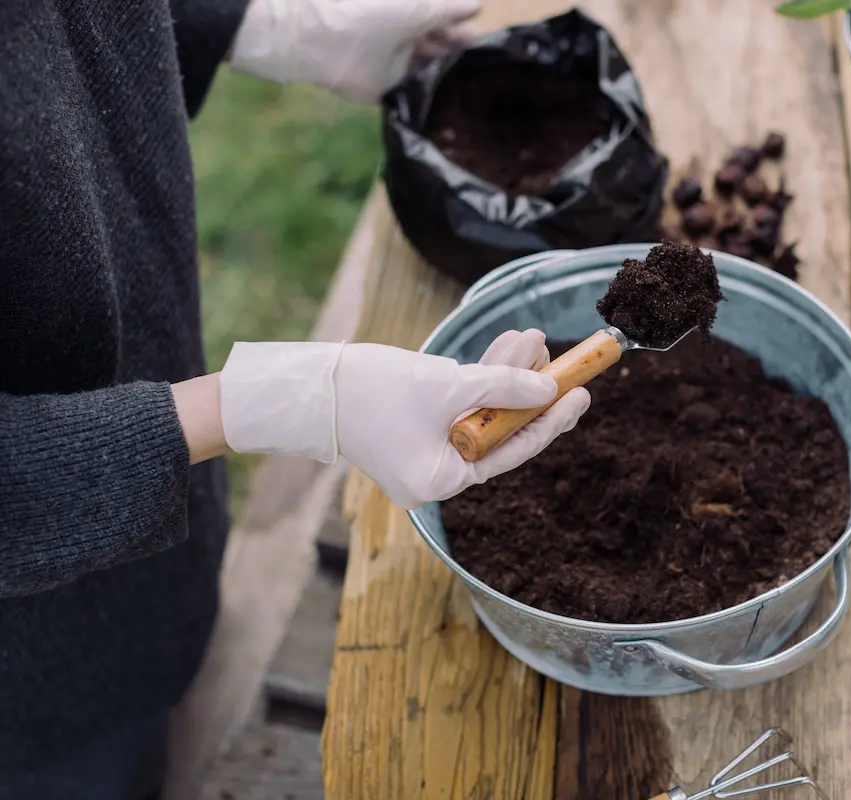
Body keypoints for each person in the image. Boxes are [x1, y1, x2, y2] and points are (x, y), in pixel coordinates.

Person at [0, 0, 591, 796]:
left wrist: (261, 28)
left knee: (162, 681)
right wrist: (277, 404)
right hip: (29, 694)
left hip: (142, 565)